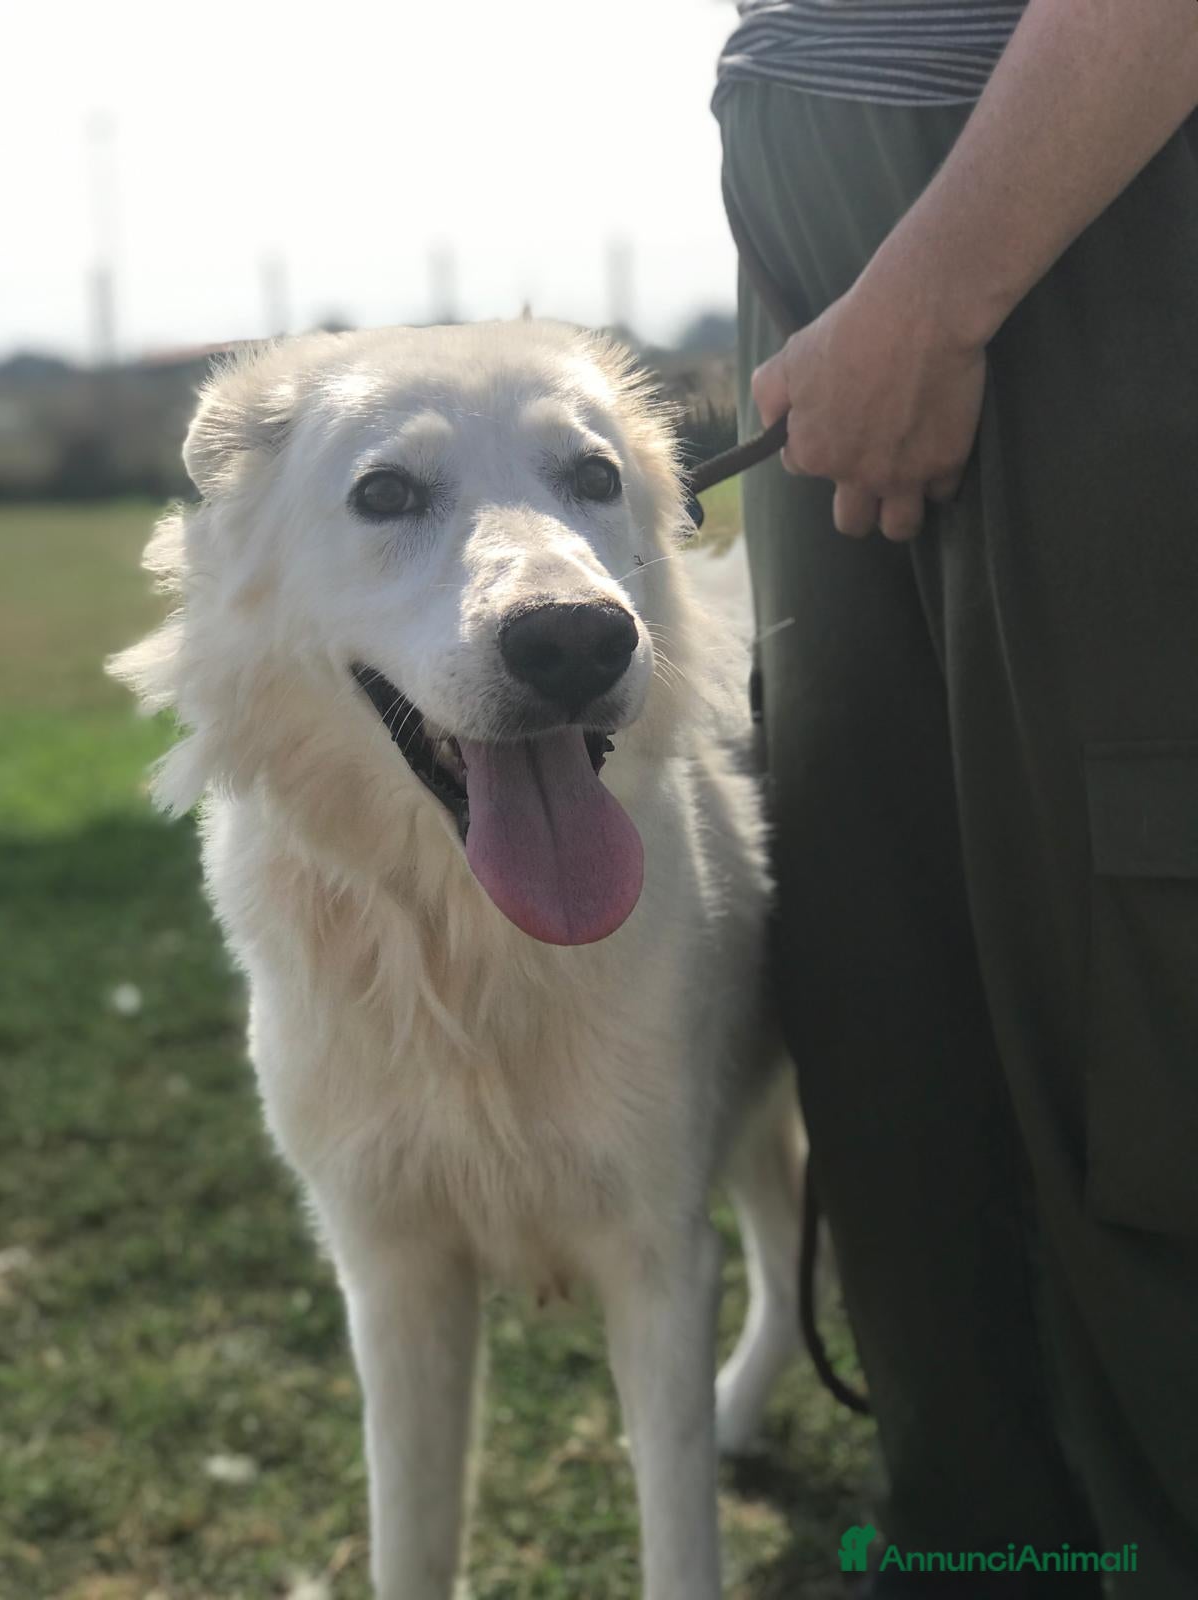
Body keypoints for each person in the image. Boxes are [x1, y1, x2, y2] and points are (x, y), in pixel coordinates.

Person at [712, 1, 1198, 1595]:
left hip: (1087, 178)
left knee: (1138, 983)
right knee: (890, 993)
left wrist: (938, 283)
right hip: (825, 199)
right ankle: (979, 1548)